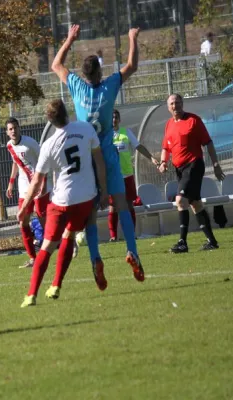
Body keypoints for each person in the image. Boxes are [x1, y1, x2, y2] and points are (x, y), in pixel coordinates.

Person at [51, 24, 145, 289]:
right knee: (122, 203)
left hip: (85, 156)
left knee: (91, 214)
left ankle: (95, 257)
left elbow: (56, 64)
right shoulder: (109, 87)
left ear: (83, 74)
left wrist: (69, 39)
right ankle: (132, 250)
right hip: (106, 153)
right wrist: (131, 38)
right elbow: (132, 65)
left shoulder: (77, 87)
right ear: (101, 72)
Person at [19, 99, 108, 307]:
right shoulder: (85, 128)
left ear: (49, 120)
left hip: (62, 201)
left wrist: (24, 208)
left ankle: (31, 294)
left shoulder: (49, 145)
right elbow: (99, 160)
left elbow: (36, 182)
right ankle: (57, 284)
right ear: (67, 113)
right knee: (69, 234)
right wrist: (102, 190)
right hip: (86, 198)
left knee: (48, 246)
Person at [158, 94, 225, 253]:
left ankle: (182, 242)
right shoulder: (168, 124)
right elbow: (166, 148)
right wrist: (163, 162)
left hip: (194, 165)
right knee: (195, 204)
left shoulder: (194, 121)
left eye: (178, 103)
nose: (175, 106)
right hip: (179, 169)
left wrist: (216, 165)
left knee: (180, 200)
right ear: (168, 107)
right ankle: (212, 241)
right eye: (172, 104)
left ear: (182, 104)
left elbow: (208, 143)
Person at [5, 117, 51, 268]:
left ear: (19, 128)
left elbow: (43, 161)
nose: (13, 131)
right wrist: (11, 183)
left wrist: (43, 183)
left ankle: (61, 242)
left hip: (38, 184)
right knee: (22, 221)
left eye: (15, 128)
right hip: (24, 188)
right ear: (7, 132)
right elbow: (15, 162)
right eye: (10, 129)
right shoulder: (9, 146)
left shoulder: (30, 143)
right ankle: (33, 258)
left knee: (42, 217)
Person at [109, 109, 159, 241]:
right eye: (112, 117)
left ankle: (130, 233)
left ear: (119, 120)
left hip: (127, 174)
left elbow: (138, 146)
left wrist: (151, 158)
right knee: (113, 207)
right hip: (113, 176)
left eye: (116, 117)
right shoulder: (105, 135)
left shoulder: (126, 132)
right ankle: (113, 236)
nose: (114, 120)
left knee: (129, 204)